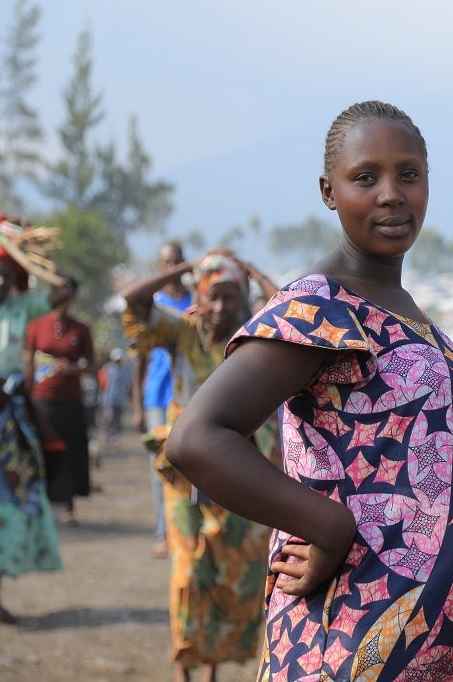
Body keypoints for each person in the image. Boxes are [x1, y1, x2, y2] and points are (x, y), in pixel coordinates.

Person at [166, 100, 453, 681]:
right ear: (328, 191)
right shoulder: (320, 306)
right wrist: (328, 526)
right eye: (365, 177)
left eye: (408, 175)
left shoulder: (401, 310)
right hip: (358, 640)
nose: (391, 193)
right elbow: (197, 438)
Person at [123, 249, 280, 682]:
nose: (219, 307)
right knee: (188, 571)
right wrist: (182, 270)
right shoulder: (182, 331)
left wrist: (254, 273)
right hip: (186, 471)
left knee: (231, 571)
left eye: (230, 297)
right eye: (212, 297)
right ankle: (185, 665)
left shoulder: (255, 339)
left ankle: (210, 667)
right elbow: (135, 301)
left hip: (241, 473)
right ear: (199, 296)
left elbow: (293, 309)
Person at [0, 211, 65, 625]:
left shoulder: (21, 308)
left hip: (4, 425)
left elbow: (66, 288)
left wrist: (24, 252)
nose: (0, 280)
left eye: (8, 273)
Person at [132, 240, 192, 558]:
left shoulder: (197, 301)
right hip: (157, 396)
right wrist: (137, 405)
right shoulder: (153, 305)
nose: (173, 269)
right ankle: (163, 532)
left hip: (190, 397)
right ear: (160, 266)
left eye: (178, 261)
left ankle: (189, 528)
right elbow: (139, 358)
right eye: (167, 263)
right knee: (160, 467)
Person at [23, 274, 95, 527]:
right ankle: (38, 505)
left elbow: (91, 364)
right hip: (41, 401)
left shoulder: (81, 329)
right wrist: (26, 396)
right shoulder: (36, 325)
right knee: (40, 453)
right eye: (58, 290)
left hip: (71, 402)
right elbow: (29, 364)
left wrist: (73, 368)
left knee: (70, 452)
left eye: (67, 291)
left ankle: (68, 506)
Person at [98, 347, 132, 451]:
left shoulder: (125, 370)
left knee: (117, 420)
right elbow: (102, 384)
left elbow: (128, 385)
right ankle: (108, 437)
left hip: (120, 399)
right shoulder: (106, 368)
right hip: (108, 399)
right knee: (109, 419)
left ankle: (115, 438)